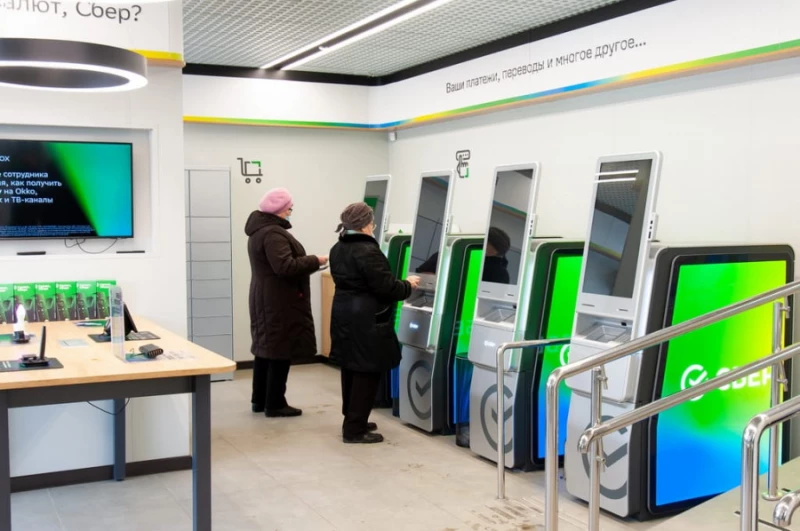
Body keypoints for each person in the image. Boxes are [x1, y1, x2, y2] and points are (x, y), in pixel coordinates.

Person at [329, 202, 421, 443]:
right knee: (366, 372)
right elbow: (386, 287)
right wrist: (408, 285)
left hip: (344, 313)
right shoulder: (367, 251)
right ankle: (354, 430)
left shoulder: (338, 247)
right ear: (366, 224)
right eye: (372, 222)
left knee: (351, 369)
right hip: (366, 318)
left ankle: (353, 418)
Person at [245, 188, 328, 417]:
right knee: (280, 349)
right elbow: (284, 266)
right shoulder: (273, 234)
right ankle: (275, 404)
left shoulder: (258, 231)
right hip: (278, 299)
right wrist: (315, 260)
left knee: (265, 349)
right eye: (289, 208)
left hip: (265, 296)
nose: (290, 212)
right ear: (280, 210)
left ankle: (259, 400)